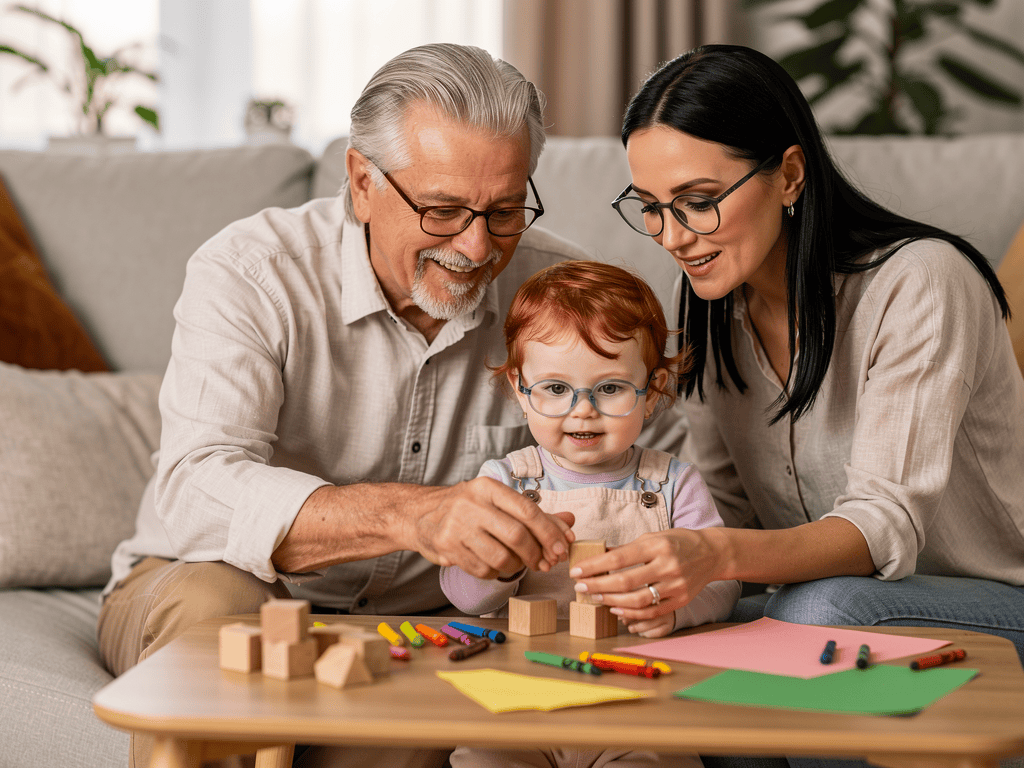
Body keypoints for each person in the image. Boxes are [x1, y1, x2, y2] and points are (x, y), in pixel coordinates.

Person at [96, 44, 685, 768]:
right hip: (212, 580)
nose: (477, 246)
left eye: (505, 211)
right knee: (221, 621)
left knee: (431, 721)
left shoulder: (562, 295)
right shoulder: (252, 271)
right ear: (362, 182)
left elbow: (656, 466)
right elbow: (196, 489)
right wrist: (412, 516)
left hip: (422, 624)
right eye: (443, 211)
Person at [566, 44, 1024, 675]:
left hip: (996, 602)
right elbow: (728, 507)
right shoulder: (704, 301)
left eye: (698, 200)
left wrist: (716, 554)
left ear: (788, 174)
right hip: (812, 603)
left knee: (818, 609)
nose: (672, 236)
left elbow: (882, 524)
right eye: (650, 206)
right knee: (670, 632)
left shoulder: (919, 282)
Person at [441, 260, 739, 768]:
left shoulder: (674, 484)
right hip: (514, 705)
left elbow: (723, 582)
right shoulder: (504, 482)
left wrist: (673, 610)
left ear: (653, 392)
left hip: (640, 707)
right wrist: (502, 564)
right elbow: (463, 596)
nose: (583, 410)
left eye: (610, 388)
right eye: (556, 389)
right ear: (519, 389)